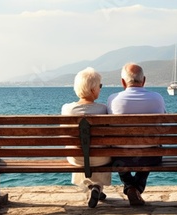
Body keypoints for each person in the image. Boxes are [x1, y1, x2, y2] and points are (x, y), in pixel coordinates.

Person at [106, 63, 166, 206]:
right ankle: (136, 187)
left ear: (122, 82)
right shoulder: (157, 98)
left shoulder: (112, 99)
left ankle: (130, 186)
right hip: (150, 158)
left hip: (120, 159)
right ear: (144, 80)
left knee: (116, 150)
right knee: (152, 148)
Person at [62, 67, 111, 208]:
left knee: (83, 152)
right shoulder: (103, 109)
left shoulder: (67, 109)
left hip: (75, 157)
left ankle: (93, 188)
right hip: (100, 158)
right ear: (93, 90)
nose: (101, 89)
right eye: (100, 86)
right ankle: (97, 187)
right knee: (101, 152)